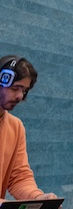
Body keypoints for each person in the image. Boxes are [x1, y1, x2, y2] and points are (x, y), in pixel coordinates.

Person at [0, 56, 55, 199]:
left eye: (24, 90)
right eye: (15, 88)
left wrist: (37, 198)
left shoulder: (15, 127)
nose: (19, 96)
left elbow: (19, 177)